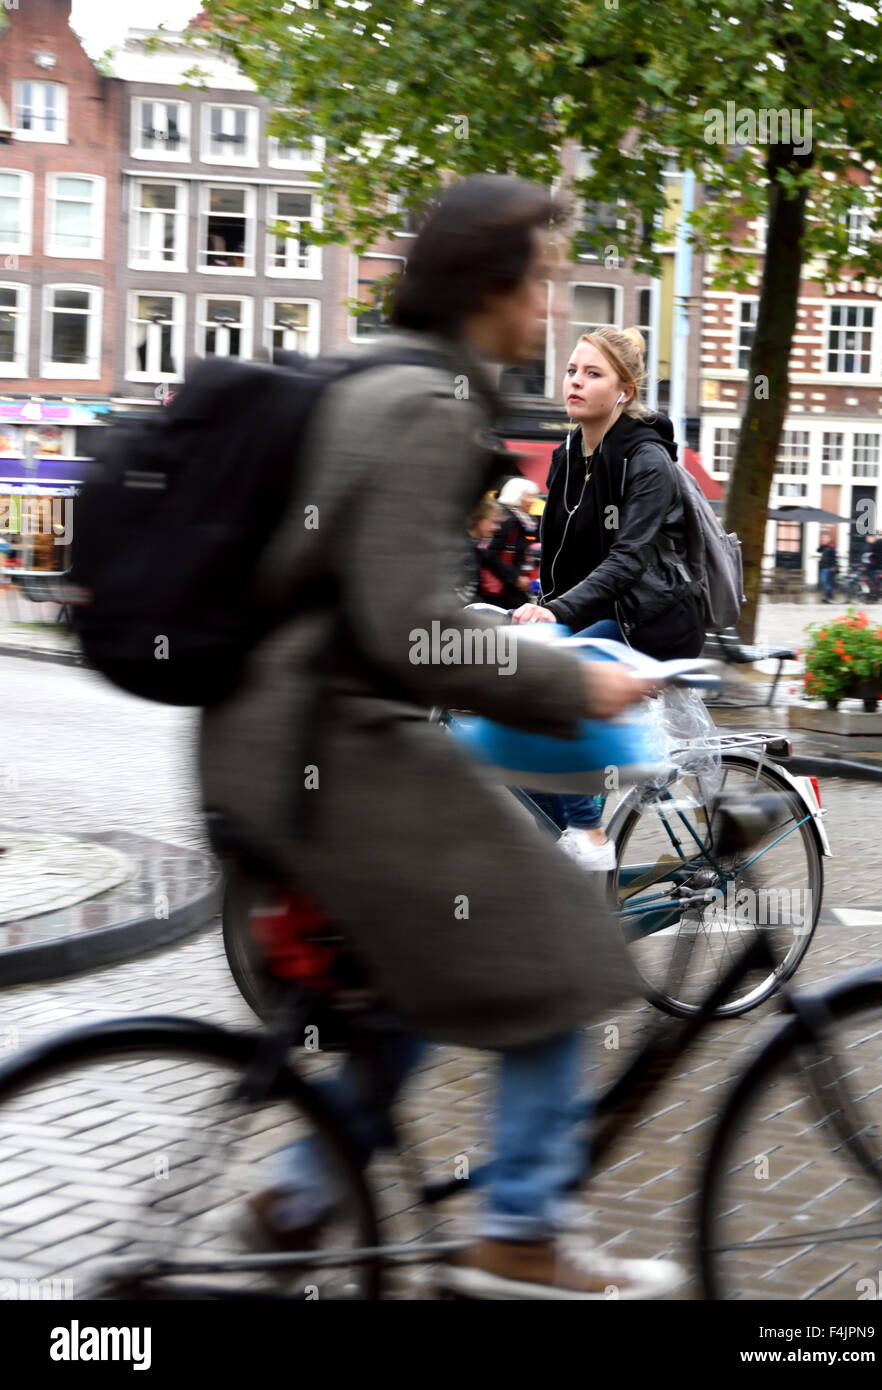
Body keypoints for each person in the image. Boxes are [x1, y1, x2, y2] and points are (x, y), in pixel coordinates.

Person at [198, 175, 683, 1299]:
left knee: (418, 973)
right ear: (491, 287)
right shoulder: (427, 405)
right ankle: (519, 1225)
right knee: (559, 934)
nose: (547, 314)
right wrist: (576, 685)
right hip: (330, 748)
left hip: (276, 736)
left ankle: (301, 1192)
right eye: (540, 285)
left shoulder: (387, 380)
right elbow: (414, 633)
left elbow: (388, 601)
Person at [510, 327, 704, 870]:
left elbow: (629, 559)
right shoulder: (567, 451)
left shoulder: (647, 460)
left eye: (592, 373)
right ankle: (565, 829)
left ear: (623, 390)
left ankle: (589, 835)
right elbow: (558, 553)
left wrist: (556, 614)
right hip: (597, 614)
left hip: (655, 621)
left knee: (559, 680)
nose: (575, 381)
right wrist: (534, 610)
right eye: (573, 370)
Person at [476, 478, 539, 609]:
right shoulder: (508, 520)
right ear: (517, 496)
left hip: (511, 589)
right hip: (503, 591)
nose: (533, 500)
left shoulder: (523, 520)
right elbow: (488, 554)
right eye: (529, 496)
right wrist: (516, 578)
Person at [817, 534, 837, 603]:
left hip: (828, 567)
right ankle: (827, 596)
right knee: (824, 582)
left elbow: (833, 557)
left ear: (829, 539)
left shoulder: (831, 547)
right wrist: (822, 544)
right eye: (823, 538)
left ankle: (829, 596)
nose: (824, 539)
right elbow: (818, 550)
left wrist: (833, 566)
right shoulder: (824, 547)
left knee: (827, 582)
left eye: (825, 538)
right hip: (823, 566)